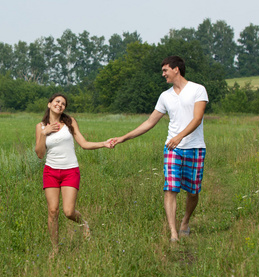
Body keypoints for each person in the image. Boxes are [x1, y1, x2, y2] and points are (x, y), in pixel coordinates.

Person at [111, 56, 209, 242]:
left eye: (165, 70)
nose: (163, 74)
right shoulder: (165, 96)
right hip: (172, 149)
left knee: (193, 191)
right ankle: (173, 234)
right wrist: (124, 137)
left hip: (195, 147)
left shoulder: (198, 90)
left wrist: (180, 136)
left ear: (176, 69)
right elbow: (149, 122)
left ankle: (185, 222)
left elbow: (197, 118)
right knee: (170, 189)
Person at [35, 93, 113, 255]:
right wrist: (44, 133)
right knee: (52, 210)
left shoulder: (70, 122)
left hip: (70, 170)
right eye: (57, 101)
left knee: (68, 211)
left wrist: (103, 144)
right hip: (50, 171)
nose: (60, 105)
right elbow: (40, 154)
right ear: (49, 104)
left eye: (63, 103)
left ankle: (84, 224)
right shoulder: (41, 126)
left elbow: (83, 144)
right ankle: (55, 249)